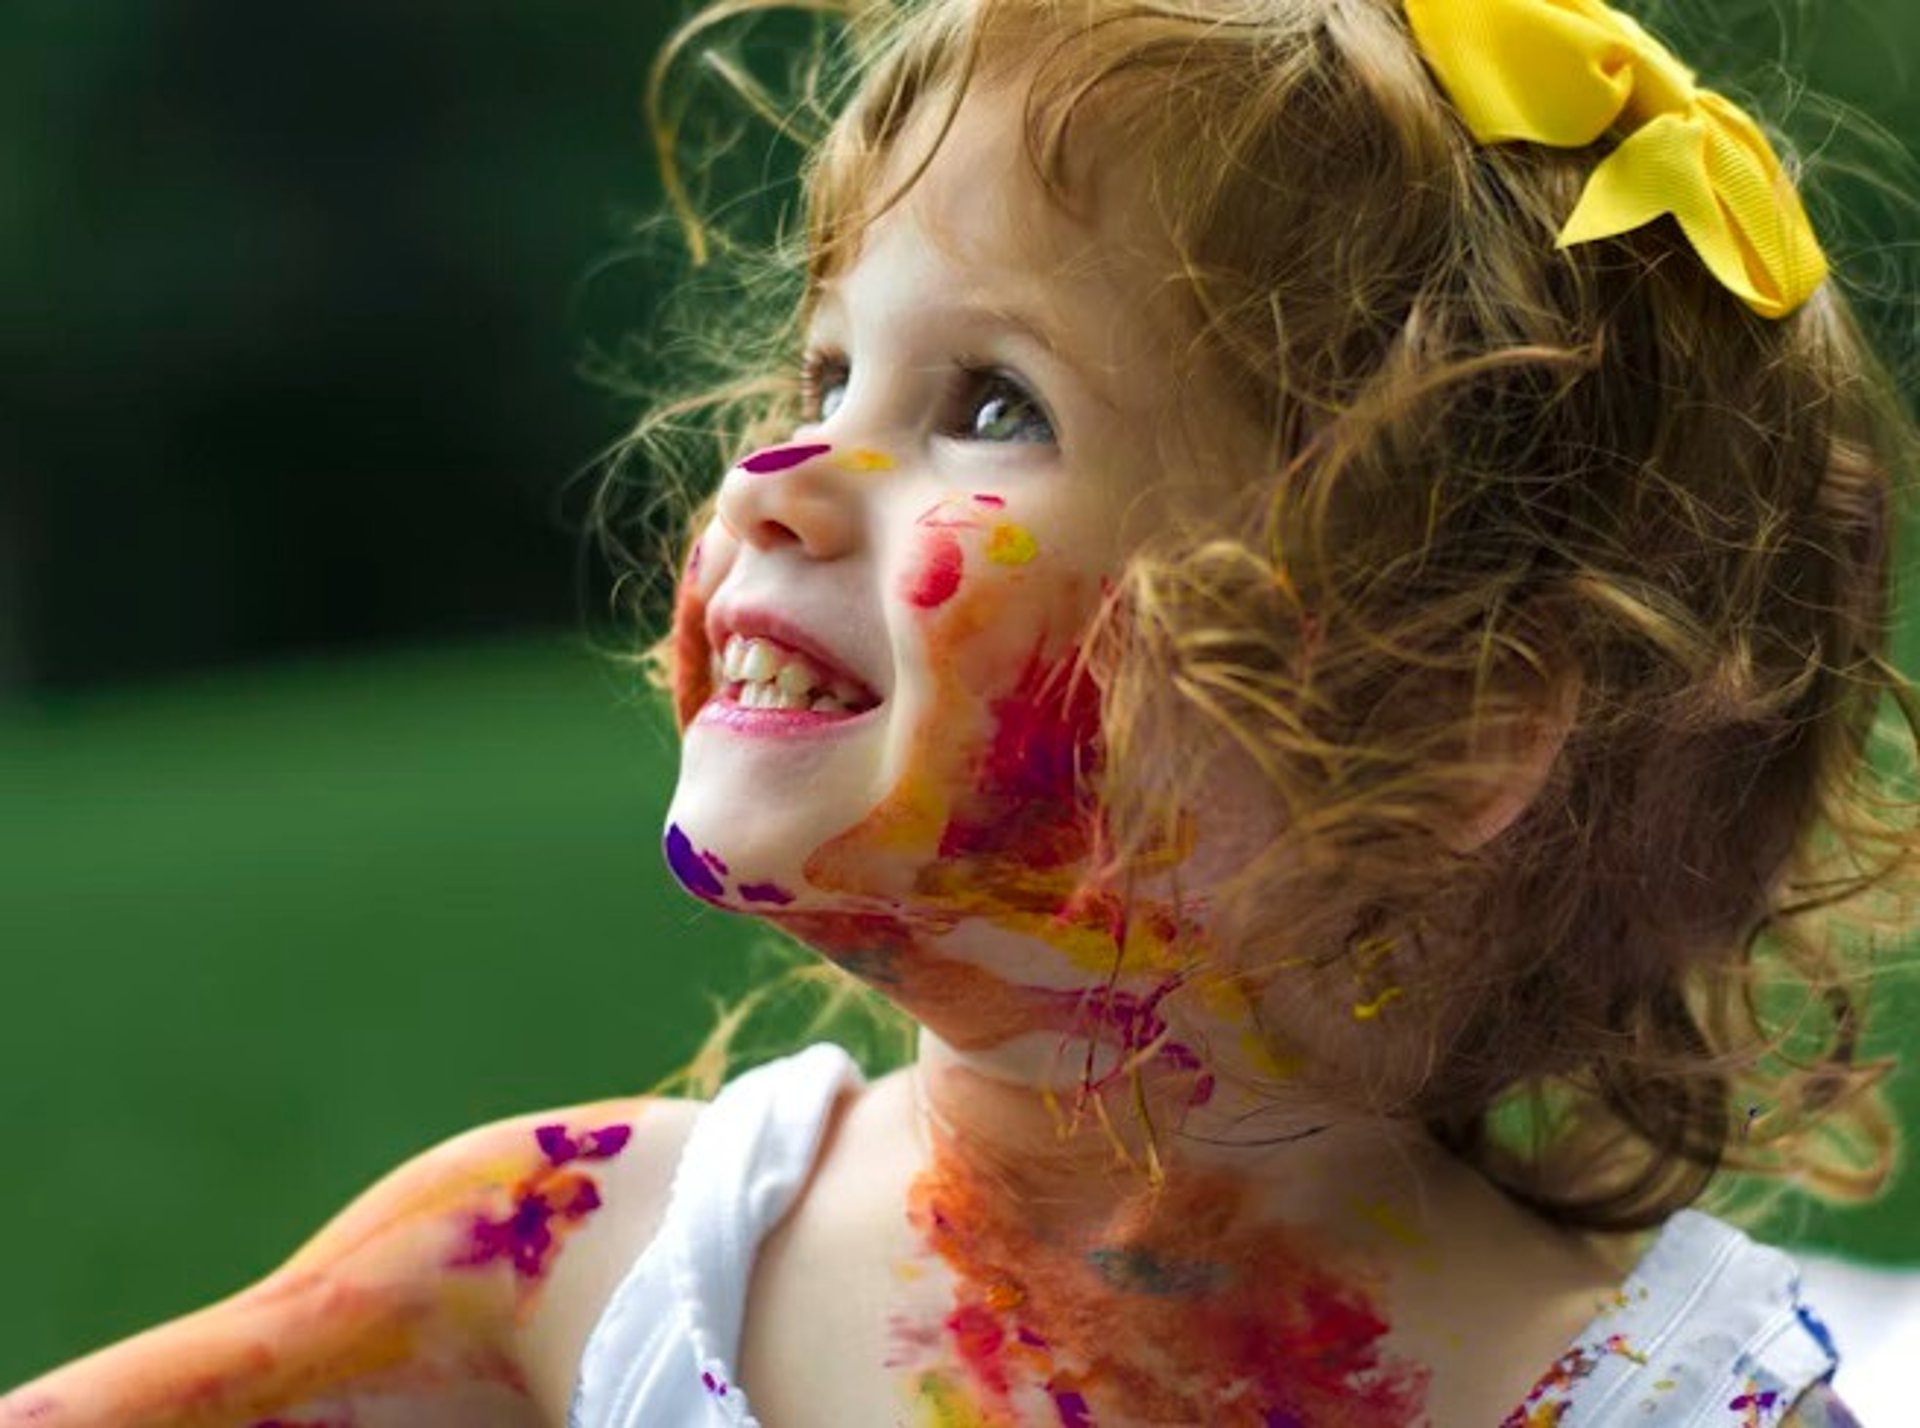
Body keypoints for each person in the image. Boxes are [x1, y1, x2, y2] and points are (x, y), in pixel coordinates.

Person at [6, 0, 1913, 1423]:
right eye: (829, 366)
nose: (781, 465)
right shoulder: (579, 1265)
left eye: (990, 402)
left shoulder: (1694, 1402)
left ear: (1446, 722)